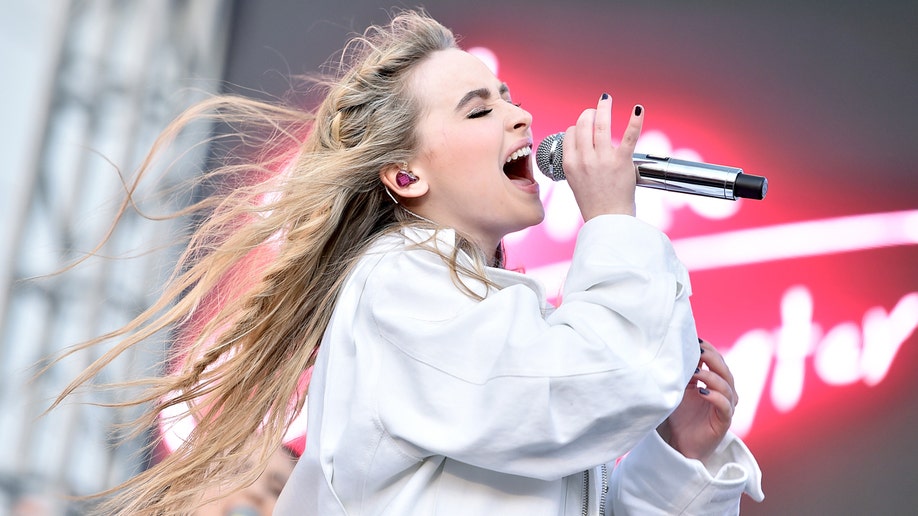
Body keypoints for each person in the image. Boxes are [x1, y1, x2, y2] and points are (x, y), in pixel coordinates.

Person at [51, 8, 762, 515]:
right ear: (405, 175)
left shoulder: (497, 321)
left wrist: (679, 458)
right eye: (480, 111)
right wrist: (611, 220)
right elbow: (611, 376)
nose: (520, 119)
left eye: (510, 100)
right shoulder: (398, 287)